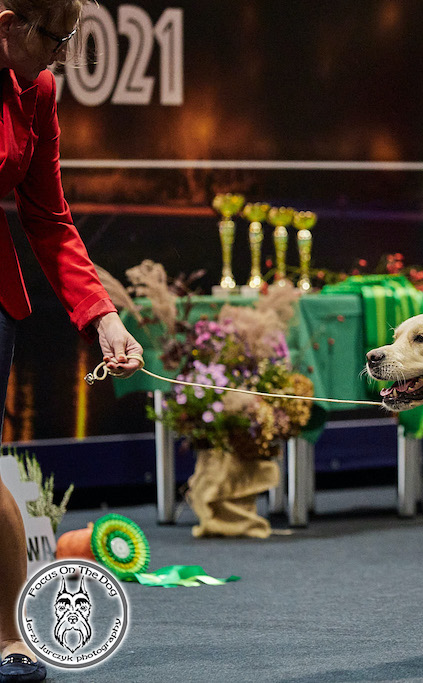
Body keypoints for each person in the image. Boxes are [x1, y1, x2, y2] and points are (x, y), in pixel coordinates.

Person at [1, 2, 142, 681]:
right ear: (9, 21)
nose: (62, 55)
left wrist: (102, 316)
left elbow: (50, 218)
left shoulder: (38, 91)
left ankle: (8, 636)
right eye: (55, 38)